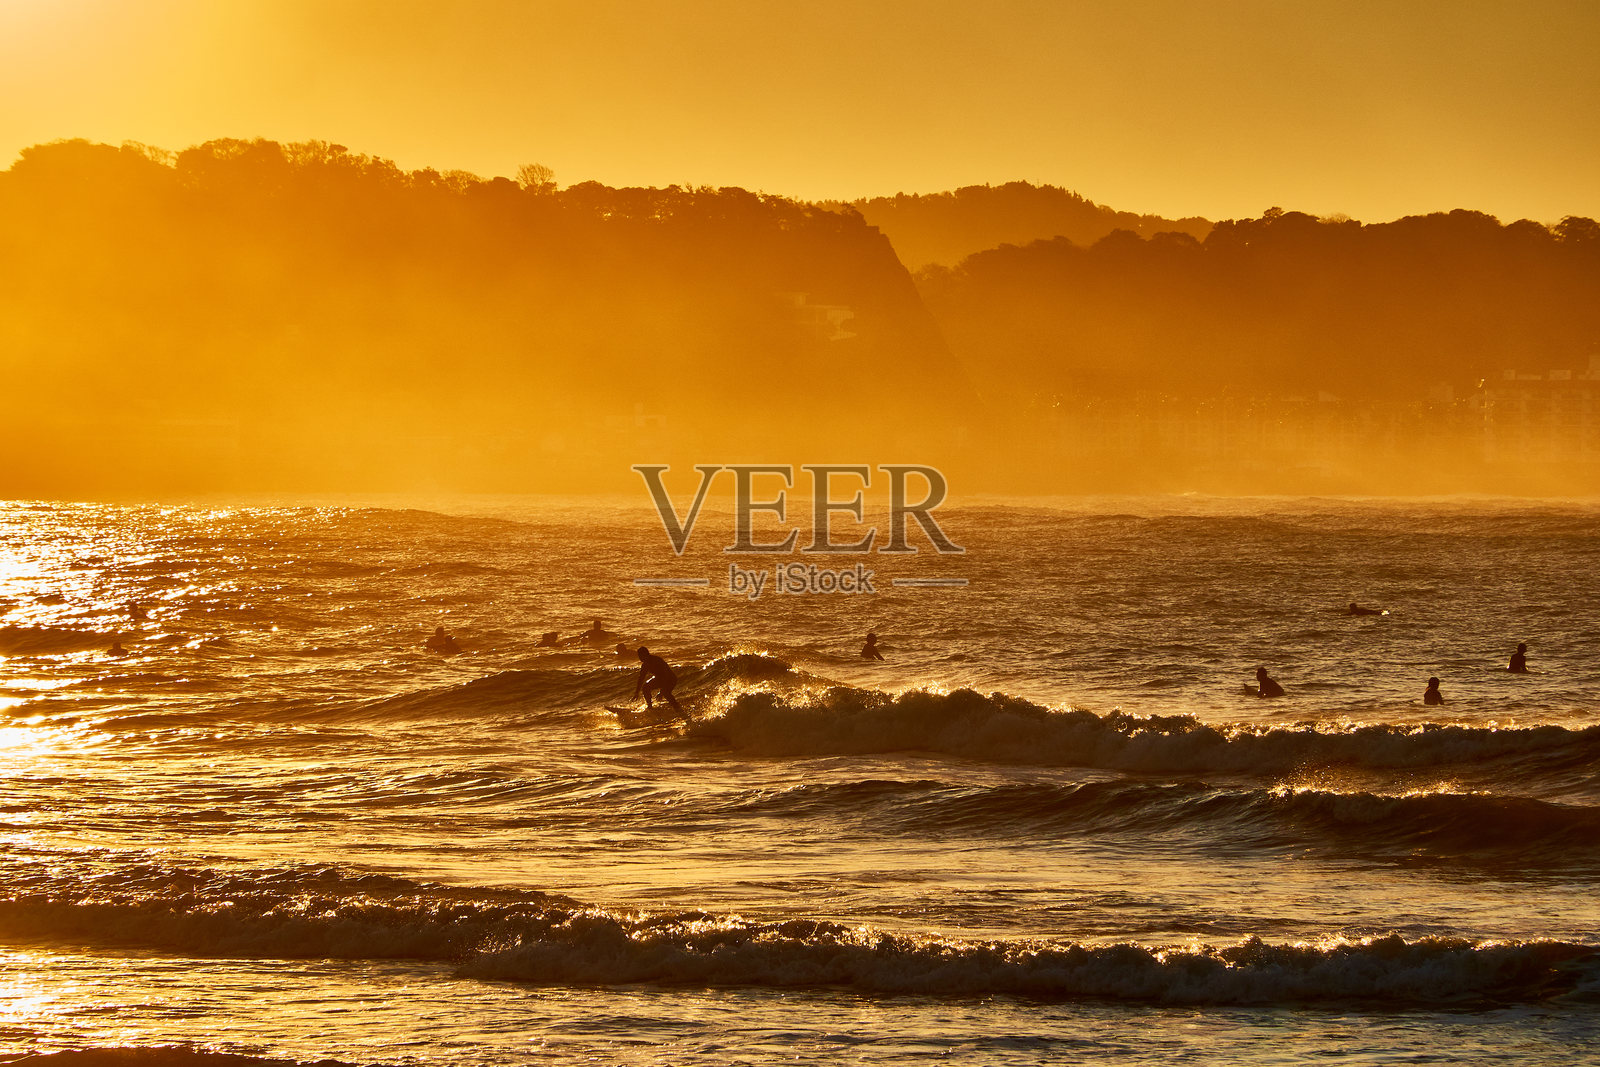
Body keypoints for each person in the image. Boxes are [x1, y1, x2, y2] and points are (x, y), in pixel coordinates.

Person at [634, 646, 683, 715]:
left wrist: (661, 691)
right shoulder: (645, 665)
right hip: (659, 679)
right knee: (645, 687)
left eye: (640, 656)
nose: (639, 658)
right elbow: (641, 678)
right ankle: (650, 707)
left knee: (666, 693)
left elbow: (665, 675)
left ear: (646, 654)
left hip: (670, 679)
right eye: (639, 656)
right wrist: (636, 693)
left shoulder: (657, 660)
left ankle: (678, 709)